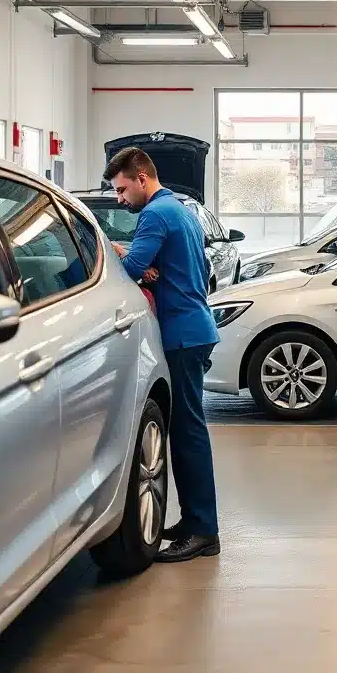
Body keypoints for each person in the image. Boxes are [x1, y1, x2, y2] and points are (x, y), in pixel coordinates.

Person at [104, 146, 221, 564]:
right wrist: (148, 264)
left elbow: (134, 268)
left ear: (141, 178)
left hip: (183, 335)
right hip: (195, 327)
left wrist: (119, 252)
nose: (120, 199)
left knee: (188, 433)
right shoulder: (179, 210)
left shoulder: (155, 214)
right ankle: (193, 522)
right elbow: (172, 266)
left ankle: (204, 531)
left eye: (121, 190)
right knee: (184, 431)